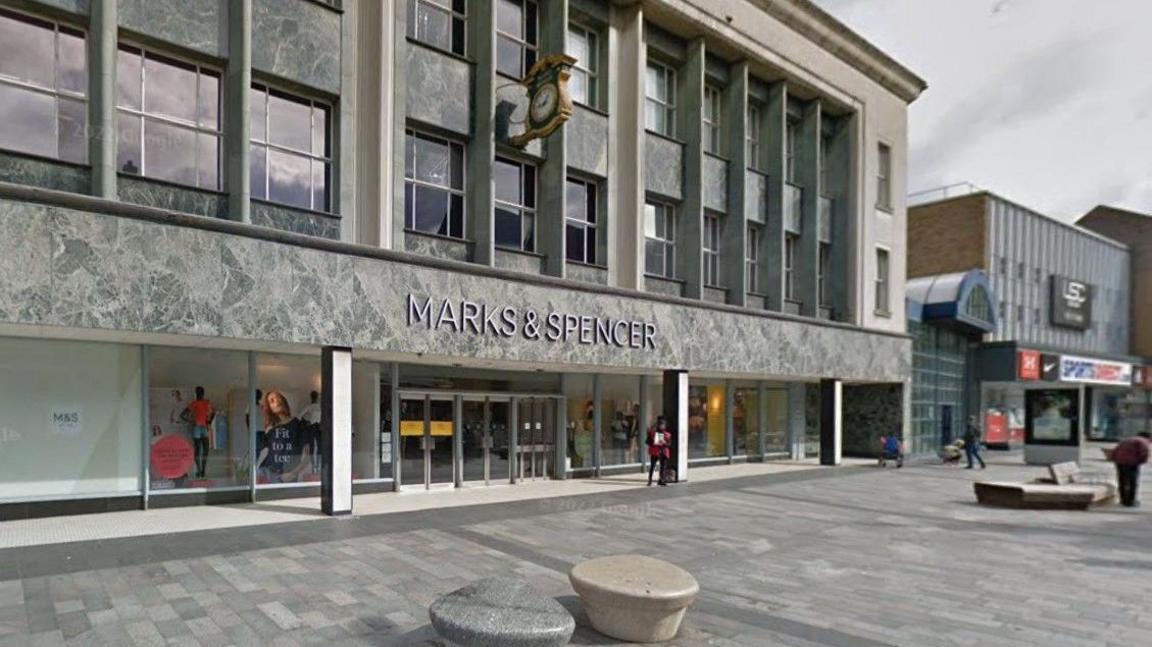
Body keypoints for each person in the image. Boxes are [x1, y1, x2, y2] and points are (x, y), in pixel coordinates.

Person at [255, 390, 312, 483]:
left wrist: (292, 474)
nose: (277, 401)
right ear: (269, 407)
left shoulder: (298, 424)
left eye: (278, 398)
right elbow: (264, 451)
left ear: (283, 400)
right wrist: (255, 470)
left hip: (288, 476)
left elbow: (306, 457)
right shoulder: (271, 429)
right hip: (268, 473)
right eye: (272, 401)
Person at [183, 386, 215, 478]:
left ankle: (201, 470)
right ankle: (201, 470)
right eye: (199, 392)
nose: (200, 394)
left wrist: (207, 421)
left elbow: (213, 412)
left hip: (200, 427)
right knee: (202, 450)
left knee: (202, 450)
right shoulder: (199, 403)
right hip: (200, 427)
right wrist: (192, 421)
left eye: (200, 392)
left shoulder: (202, 403)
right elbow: (183, 415)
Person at [1112, 432, 1151, 507]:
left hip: (1119, 461)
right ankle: (1131, 501)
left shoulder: (1127, 439)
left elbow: (1115, 449)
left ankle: (1123, 500)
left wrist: (1115, 459)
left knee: (1122, 480)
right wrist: (1142, 461)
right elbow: (1145, 452)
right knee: (1132, 482)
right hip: (1131, 462)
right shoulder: (1143, 441)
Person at [646, 415, 672, 486]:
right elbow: (648, 442)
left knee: (663, 466)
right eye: (661, 425)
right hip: (655, 451)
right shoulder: (653, 433)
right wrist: (654, 441)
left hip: (663, 452)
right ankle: (650, 480)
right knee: (653, 466)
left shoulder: (667, 434)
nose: (662, 426)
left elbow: (669, 444)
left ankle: (661, 479)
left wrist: (665, 443)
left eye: (663, 425)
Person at [300, 390, 323, 472]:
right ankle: (314, 466)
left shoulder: (320, 406)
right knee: (313, 447)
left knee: (320, 447)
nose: (316, 398)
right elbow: (300, 415)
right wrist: (306, 421)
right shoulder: (309, 406)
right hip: (312, 427)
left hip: (319, 427)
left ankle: (317, 465)